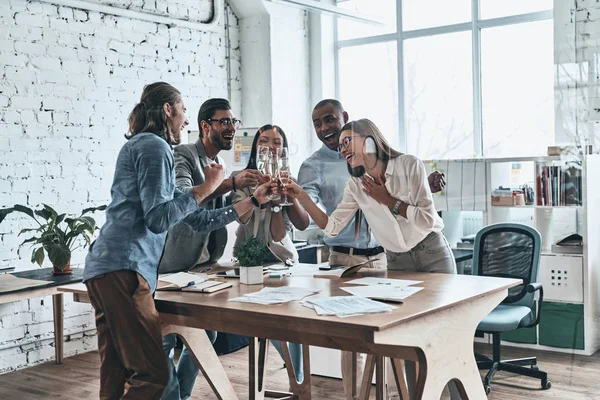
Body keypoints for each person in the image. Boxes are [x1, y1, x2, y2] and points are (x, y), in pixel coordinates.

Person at [82, 82, 271, 400]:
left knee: (115, 372)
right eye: (183, 111)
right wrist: (209, 185)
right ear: (168, 110)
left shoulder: (142, 146)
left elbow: (195, 219)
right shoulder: (155, 147)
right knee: (153, 374)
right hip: (127, 268)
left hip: (105, 267)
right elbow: (159, 219)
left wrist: (252, 201)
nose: (186, 121)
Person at [283, 118, 459, 400]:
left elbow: (427, 219)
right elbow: (330, 226)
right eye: (340, 146)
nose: (342, 150)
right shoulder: (356, 185)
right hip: (398, 262)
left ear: (369, 140)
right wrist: (300, 194)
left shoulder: (409, 165)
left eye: (346, 142)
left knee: (445, 333)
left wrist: (388, 200)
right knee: (407, 339)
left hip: (432, 253)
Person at [158, 98, 267, 400]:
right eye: (224, 121)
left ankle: (176, 396)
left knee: (207, 333)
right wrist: (232, 183)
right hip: (171, 266)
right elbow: (184, 201)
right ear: (205, 126)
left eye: (233, 121)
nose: (231, 128)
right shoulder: (183, 155)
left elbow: (225, 211)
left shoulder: (218, 165)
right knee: (166, 339)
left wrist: (256, 198)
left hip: (203, 268)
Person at [232, 124, 309, 384]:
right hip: (247, 263)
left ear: (283, 148)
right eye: (264, 141)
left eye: (276, 142)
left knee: (290, 327)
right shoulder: (241, 179)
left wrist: (279, 204)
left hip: (280, 264)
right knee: (256, 326)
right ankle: (270, 384)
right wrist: (257, 199)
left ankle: (296, 381)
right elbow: (241, 220)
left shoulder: (289, 180)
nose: (270, 147)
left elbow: (293, 229)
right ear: (255, 147)